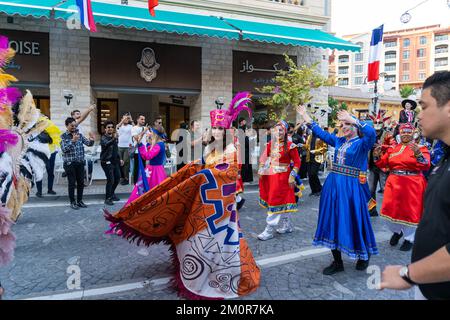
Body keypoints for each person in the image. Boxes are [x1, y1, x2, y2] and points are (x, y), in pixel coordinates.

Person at [104, 92, 260, 299]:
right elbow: (200, 167)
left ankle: (219, 277)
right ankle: (198, 271)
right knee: (199, 241)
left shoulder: (231, 149)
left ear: (228, 131)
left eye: (221, 129)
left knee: (220, 244)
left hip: (221, 209)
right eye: (214, 127)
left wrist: (203, 174)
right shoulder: (210, 148)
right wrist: (193, 171)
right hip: (204, 204)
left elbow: (228, 173)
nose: (217, 131)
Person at [379, 71, 450, 300]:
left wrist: (408, 274)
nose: (417, 116)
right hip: (428, 285)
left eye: (424, 106)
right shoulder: (445, 158)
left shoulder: (427, 151)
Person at [297, 105, 378, 274]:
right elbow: (320, 133)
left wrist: (353, 118)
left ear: (355, 127)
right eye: (342, 125)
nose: (344, 127)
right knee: (332, 220)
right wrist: (306, 116)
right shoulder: (339, 141)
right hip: (333, 185)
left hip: (351, 189)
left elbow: (371, 133)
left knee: (354, 220)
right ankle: (337, 261)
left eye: (347, 124)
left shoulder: (363, 143)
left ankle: (364, 255)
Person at [374, 122, 431, 252]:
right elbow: (382, 163)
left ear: (413, 133)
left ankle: (409, 238)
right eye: (403, 131)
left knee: (410, 212)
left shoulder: (420, 148)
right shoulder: (393, 148)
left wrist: (418, 154)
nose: (405, 134)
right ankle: (397, 231)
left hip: (413, 184)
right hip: (393, 184)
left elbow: (426, 165)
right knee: (392, 210)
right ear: (399, 133)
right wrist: (377, 155)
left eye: (408, 132)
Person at [257, 120, 302, 241]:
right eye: (276, 130)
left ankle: (269, 229)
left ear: (285, 131)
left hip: (283, 178)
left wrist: (292, 176)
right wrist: (261, 167)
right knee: (282, 200)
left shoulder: (291, 145)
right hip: (271, 176)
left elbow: (297, 162)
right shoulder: (271, 143)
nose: (278, 132)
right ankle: (287, 225)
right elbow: (263, 157)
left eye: (281, 130)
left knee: (275, 201)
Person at [124, 123, 168, 206]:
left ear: (155, 134)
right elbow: (150, 152)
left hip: (154, 171)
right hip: (155, 170)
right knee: (146, 188)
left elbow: (147, 156)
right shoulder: (159, 144)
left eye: (151, 132)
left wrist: (140, 144)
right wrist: (147, 142)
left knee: (145, 188)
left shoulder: (159, 145)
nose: (149, 133)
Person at [60, 117, 95, 210]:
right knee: (71, 183)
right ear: (67, 126)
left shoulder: (79, 134)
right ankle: (72, 202)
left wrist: (92, 139)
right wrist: (72, 141)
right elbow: (64, 149)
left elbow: (88, 143)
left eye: (75, 125)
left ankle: (79, 201)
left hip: (80, 162)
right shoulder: (63, 136)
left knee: (81, 183)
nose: (74, 127)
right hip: (69, 163)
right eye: (72, 126)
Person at [367, 110, 395, 216]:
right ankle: (372, 210)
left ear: (383, 123)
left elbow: (393, 147)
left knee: (386, 190)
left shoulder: (388, 135)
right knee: (370, 190)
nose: (377, 125)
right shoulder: (370, 134)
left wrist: (382, 147)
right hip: (372, 166)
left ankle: (392, 211)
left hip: (383, 167)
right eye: (375, 122)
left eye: (379, 122)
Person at [101, 121, 123, 206]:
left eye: (111, 127)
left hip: (115, 161)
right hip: (106, 161)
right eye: (108, 127)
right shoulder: (103, 137)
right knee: (110, 180)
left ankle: (112, 193)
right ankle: (108, 198)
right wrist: (114, 138)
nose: (110, 128)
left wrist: (120, 158)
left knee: (117, 178)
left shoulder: (114, 137)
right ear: (105, 129)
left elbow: (116, 149)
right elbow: (106, 144)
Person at [303, 127, 327, 196]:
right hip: (309, 157)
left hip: (317, 158)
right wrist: (302, 145)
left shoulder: (321, 136)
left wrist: (316, 151)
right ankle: (314, 190)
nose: (312, 130)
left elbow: (325, 148)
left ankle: (319, 189)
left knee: (313, 174)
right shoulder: (309, 136)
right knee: (310, 175)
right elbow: (307, 146)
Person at [116, 113, 133, 185]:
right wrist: (123, 119)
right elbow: (117, 126)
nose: (126, 119)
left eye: (127, 118)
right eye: (124, 118)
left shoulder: (131, 126)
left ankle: (126, 178)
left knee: (126, 162)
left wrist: (131, 120)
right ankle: (121, 177)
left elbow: (136, 128)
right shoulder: (119, 126)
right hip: (120, 146)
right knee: (120, 162)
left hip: (127, 147)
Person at [131, 114, 147, 184]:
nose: (143, 121)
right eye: (142, 119)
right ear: (137, 120)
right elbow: (137, 138)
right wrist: (144, 131)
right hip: (137, 151)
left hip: (144, 151)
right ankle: (135, 183)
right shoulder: (134, 128)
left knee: (144, 167)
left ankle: (143, 182)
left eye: (144, 119)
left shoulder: (145, 128)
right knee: (136, 168)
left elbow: (150, 138)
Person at [238, 117, 253, 183]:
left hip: (246, 149)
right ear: (241, 122)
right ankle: (244, 178)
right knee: (245, 164)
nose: (245, 122)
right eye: (244, 121)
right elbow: (243, 140)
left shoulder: (244, 129)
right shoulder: (241, 130)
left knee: (248, 164)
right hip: (244, 149)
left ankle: (248, 178)